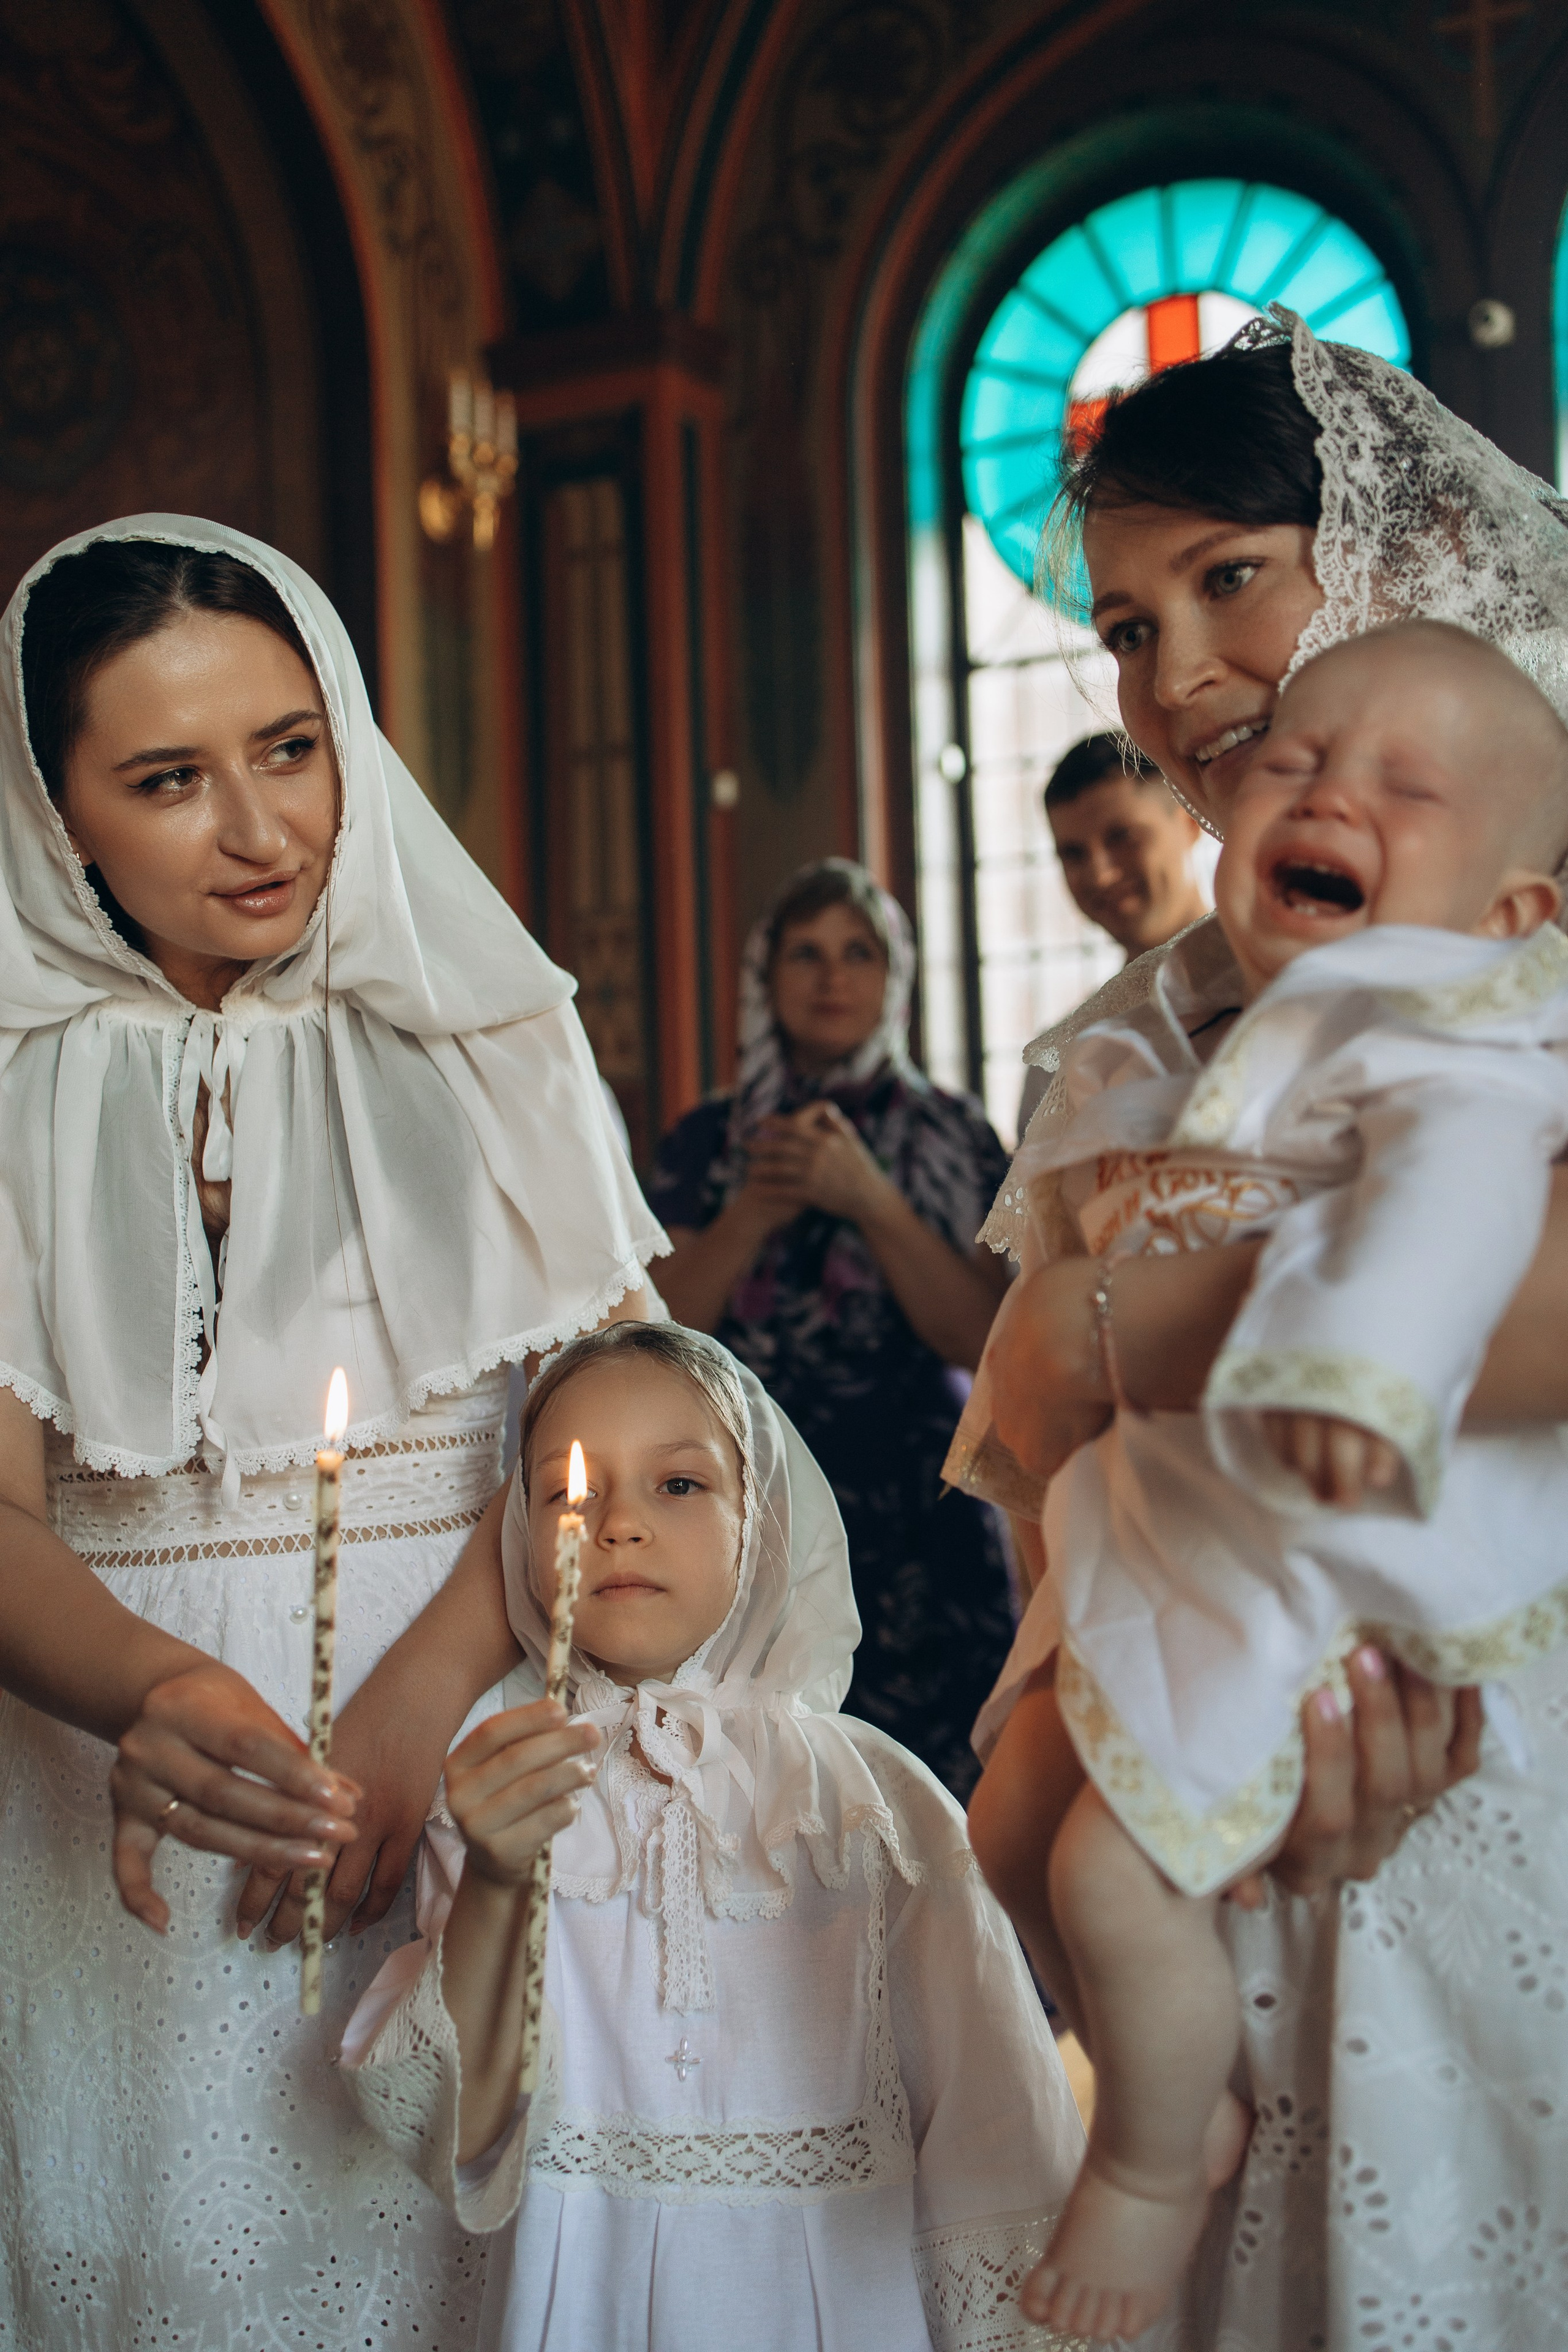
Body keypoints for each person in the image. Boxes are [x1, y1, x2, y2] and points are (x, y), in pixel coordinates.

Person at [954, 309, 1568, 2350]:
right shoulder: (1127, 1038)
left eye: (1232, 578)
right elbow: (1053, 1462)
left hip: (1501, 1713)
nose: (1178, 673)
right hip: (1210, 1752)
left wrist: (1118, 1314)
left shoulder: (1519, 945)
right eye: (1125, 626)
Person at [0, 518, 667, 2342]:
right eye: (168, 777)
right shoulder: (9, 1077)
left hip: (468, 1715)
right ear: (60, 812)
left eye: (294, 747)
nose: (263, 826)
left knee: (435, 2239)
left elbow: (625, 1421)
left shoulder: (482, 1034)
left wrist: (420, 1694)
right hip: (105, 1769)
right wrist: (150, 1686)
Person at [339, 1319, 1088, 2352]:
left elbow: (991, 2126)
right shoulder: (497, 1785)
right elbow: (457, 2134)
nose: (617, 1524)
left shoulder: (879, 1805)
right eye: (565, 1492)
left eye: (679, 1484)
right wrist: (502, 1878)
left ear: (764, 1522)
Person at [649, 858, 1014, 1798]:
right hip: (754, 1495)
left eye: (860, 954)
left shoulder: (952, 1135)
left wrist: (874, 1204)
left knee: (936, 1794)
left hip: (922, 1507)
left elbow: (985, 1338)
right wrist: (754, 1213)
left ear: (896, 978)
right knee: (772, 1783)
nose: (832, 976)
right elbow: (655, 1333)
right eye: (804, 954)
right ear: (766, 981)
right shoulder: (710, 1139)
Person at [1016, 733, 1208, 1137]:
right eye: (1073, 854)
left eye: (1123, 838)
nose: (1100, 874)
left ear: (1190, 821)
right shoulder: (1055, 1063)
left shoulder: (1279, 987)